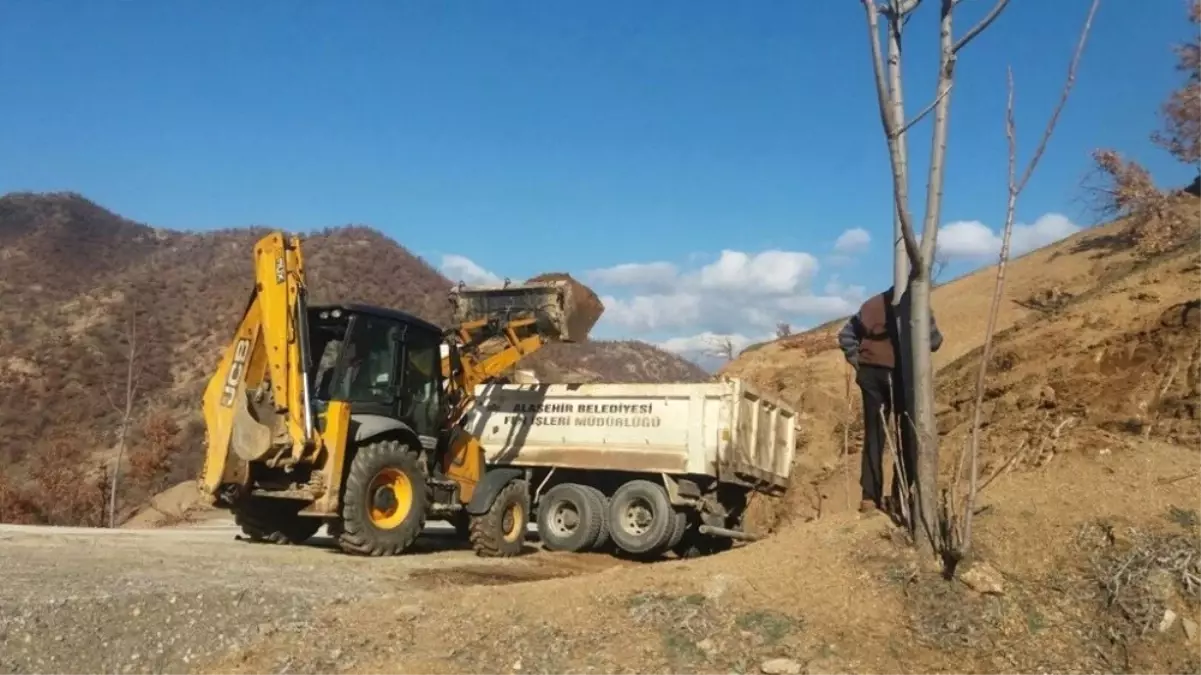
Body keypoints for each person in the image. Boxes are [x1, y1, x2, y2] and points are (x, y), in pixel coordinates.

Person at [836, 285, 943, 516]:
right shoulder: (918, 306)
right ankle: (900, 496)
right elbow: (934, 342)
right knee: (908, 434)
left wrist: (858, 360)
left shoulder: (871, 304)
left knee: (874, 435)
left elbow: (846, 335)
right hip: (902, 375)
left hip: (871, 374)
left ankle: (869, 498)